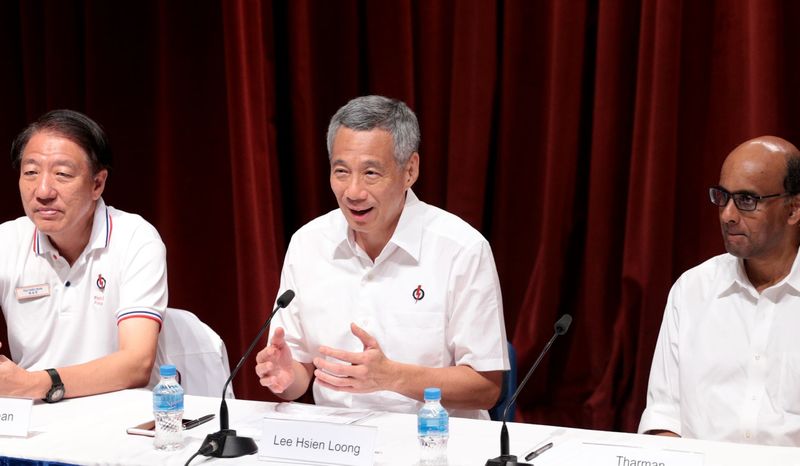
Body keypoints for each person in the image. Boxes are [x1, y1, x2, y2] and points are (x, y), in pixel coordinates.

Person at [255, 95, 509, 419]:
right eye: (341, 171)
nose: (353, 192)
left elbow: (486, 387)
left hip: (432, 438)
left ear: (410, 170)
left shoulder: (461, 249)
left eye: (371, 173)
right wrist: (286, 375)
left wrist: (391, 377)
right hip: (336, 438)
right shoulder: (308, 243)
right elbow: (300, 372)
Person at [639, 135, 800, 445]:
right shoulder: (692, 290)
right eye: (722, 197)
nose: (727, 215)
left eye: (746, 200)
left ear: (793, 209)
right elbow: (664, 416)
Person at [0, 109, 167, 402]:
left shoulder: (135, 238)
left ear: (97, 184)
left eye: (62, 174)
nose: (43, 191)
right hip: (33, 414)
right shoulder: (7, 240)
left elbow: (136, 364)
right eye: (31, 173)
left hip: (118, 410)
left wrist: (33, 384)